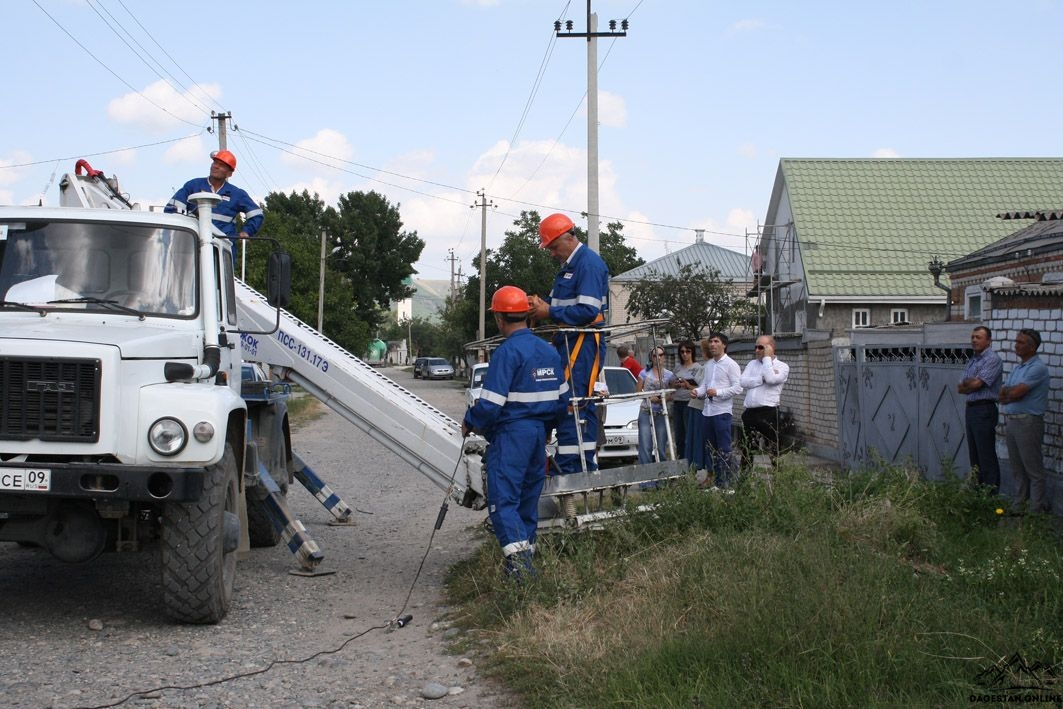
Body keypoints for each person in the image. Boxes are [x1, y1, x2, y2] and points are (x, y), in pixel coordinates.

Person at [462, 286, 569, 576]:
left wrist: (470, 421)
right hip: (538, 438)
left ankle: (522, 572)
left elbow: (490, 406)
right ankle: (523, 568)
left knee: (504, 503)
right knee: (526, 501)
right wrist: (547, 428)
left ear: (499, 318)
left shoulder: (507, 353)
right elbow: (562, 401)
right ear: (526, 315)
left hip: (512, 437)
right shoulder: (548, 351)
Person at [529, 213, 610, 474]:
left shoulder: (588, 264)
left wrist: (548, 312)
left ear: (568, 237)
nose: (552, 254)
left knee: (576, 403)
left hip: (584, 344)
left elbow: (587, 310)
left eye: (553, 247)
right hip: (567, 343)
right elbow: (554, 305)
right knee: (566, 402)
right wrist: (537, 305)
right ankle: (569, 467)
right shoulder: (568, 268)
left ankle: (576, 470)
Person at [164, 150, 264, 253]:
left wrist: (247, 232)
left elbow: (257, 214)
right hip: (192, 246)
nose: (216, 166)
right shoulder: (193, 185)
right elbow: (171, 210)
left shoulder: (237, 194)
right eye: (215, 163)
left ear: (229, 173)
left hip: (223, 250)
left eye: (221, 165)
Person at [998, 328, 1050, 515]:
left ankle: (1037, 508)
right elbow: (1003, 393)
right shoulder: (1018, 367)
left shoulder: (1037, 368)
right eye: (1016, 342)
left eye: (1021, 343)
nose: (1016, 346)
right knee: (1017, 466)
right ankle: (1019, 504)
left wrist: (1011, 394)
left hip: (1028, 421)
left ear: (1032, 346)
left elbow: (1019, 392)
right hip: (1013, 420)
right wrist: (1010, 395)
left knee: (1033, 467)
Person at [692, 333, 743, 489]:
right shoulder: (709, 365)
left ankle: (727, 482)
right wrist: (698, 392)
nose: (712, 345)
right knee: (711, 449)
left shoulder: (731, 364)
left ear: (724, 345)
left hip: (722, 412)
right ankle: (717, 480)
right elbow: (705, 387)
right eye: (711, 342)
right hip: (707, 411)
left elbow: (738, 387)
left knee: (724, 449)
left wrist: (719, 392)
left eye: (716, 342)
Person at [957, 325, 1003, 493]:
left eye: (979, 337)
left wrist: (972, 383)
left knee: (986, 455)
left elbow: (977, 383)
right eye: (973, 337)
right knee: (974, 457)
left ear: (989, 341)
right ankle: (978, 493)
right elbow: (960, 387)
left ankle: (990, 495)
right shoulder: (973, 360)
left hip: (984, 409)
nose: (974, 340)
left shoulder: (992, 359)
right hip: (971, 409)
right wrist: (971, 384)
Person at [740, 335, 790, 461]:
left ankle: (777, 478)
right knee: (747, 448)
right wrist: (760, 379)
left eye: (761, 347)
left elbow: (771, 379)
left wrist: (767, 358)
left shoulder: (782, 366)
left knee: (774, 448)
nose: (756, 350)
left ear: (770, 348)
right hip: (750, 412)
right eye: (755, 347)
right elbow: (742, 382)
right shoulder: (752, 364)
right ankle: (745, 477)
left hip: (768, 412)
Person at [637, 346, 676, 464]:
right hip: (646, 411)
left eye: (661, 355)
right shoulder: (644, 373)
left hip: (661, 412)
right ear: (651, 357)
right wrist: (649, 397)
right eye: (655, 355)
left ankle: (663, 476)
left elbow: (673, 393)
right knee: (645, 445)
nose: (658, 358)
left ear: (664, 357)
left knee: (661, 446)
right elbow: (638, 392)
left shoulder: (669, 375)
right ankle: (646, 479)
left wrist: (661, 399)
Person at [669, 341, 702, 463]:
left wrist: (688, 385)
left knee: (690, 435)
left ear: (692, 352)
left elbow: (701, 388)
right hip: (677, 402)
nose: (685, 354)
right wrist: (675, 384)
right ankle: (680, 461)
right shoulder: (677, 367)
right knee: (679, 436)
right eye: (682, 351)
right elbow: (670, 383)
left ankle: (691, 462)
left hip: (690, 403)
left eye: (688, 351)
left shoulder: (698, 368)